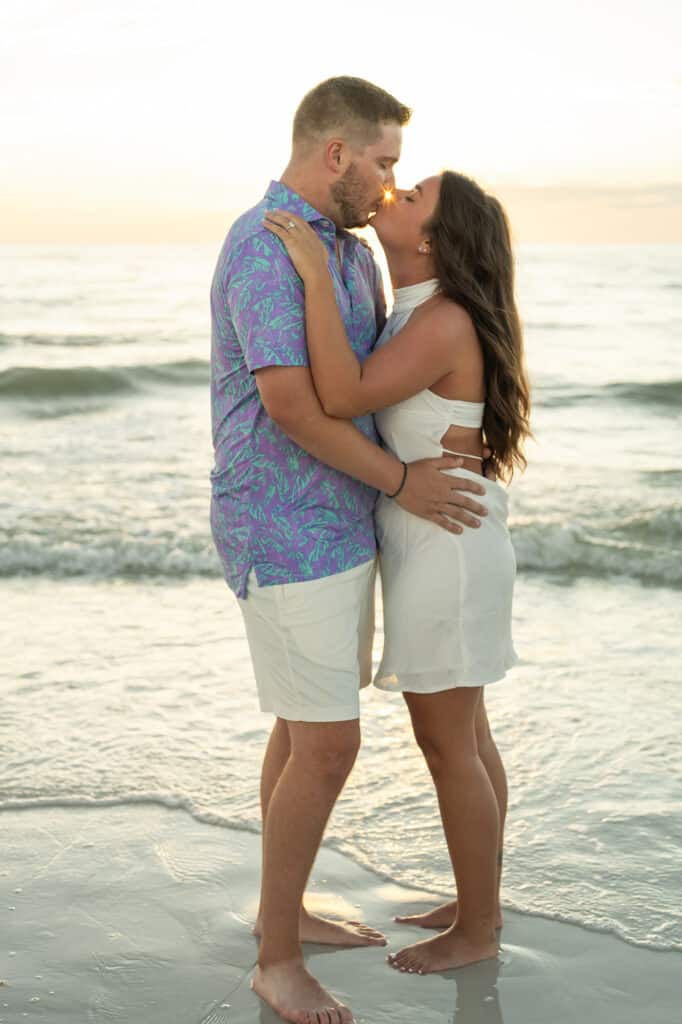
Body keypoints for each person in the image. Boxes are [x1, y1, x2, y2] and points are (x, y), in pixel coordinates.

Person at [210, 78, 490, 1024]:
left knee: (299, 729)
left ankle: (276, 915)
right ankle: (277, 959)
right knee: (327, 745)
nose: (387, 182)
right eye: (382, 163)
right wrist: (407, 481)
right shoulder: (265, 245)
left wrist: (457, 427)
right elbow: (294, 403)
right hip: (286, 529)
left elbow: (370, 380)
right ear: (337, 154)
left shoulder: (347, 252)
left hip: (346, 522)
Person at [263, 169, 531, 975]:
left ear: (434, 241)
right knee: (466, 738)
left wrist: (312, 275)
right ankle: (477, 899)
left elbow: (340, 394)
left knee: (451, 743)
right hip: (441, 539)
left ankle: (479, 928)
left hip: (446, 550)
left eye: (413, 196)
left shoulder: (444, 317)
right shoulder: (419, 309)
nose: (395, 195)